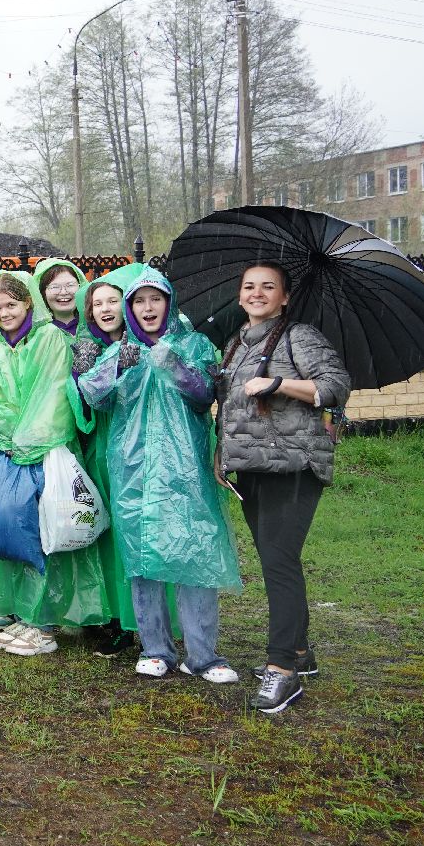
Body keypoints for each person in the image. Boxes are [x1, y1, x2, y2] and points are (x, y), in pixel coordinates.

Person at [80, 267, 241, 685]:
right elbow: (93, 396)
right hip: (134, 469)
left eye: (155, 299)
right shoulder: (120, 351)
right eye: (138, 301)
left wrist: (172, 363)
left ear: (168, 302)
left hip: (185, 469)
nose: (147, 308)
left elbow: (205, 396)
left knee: (195, 551)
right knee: (143, 554)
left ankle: (203, 654)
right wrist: (116, 368)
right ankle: (155, 648)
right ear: (130, 308)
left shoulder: (194, 345)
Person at [218, 261, 351, 714]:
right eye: (249, 286)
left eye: (268, 287)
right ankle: (298, 652)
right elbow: (229, 410)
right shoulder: (236, 344)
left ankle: (282, 670)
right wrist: (222, 457)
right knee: (277, 560)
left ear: (284, 296)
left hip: (294, 466)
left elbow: (335, 387)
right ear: (240, 296)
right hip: (252, 467)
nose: (257, 293)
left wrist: (278, 382)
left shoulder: (300, 336)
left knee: (278, 563)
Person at [0, 272, 109, 656]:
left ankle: (43, 621)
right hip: (3, 452)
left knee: (45, 534)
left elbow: (52, 398)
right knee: (7, 531)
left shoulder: (50, 340)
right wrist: (9, 435)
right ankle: (14, 609)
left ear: (28, 303)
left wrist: (24, 439)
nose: (3, 313)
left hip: (44, 452)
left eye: (11, 305)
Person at [69, 264, 146, 656]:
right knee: (107, 535)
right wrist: (83, 371)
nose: (104, 308)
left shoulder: (146, 344)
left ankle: (143, 622)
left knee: (136, 535)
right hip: (101, 448)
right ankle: (115, 618)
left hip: (139, 452)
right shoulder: (88, 347)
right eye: (96, 303)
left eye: (112, 300)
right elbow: (81, 401)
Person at [34, 257, 86, 337]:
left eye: (70, 285)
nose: (64, 292)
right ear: (43, 293)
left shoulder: (94, 327)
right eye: (55, 287)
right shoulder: (37, 334)